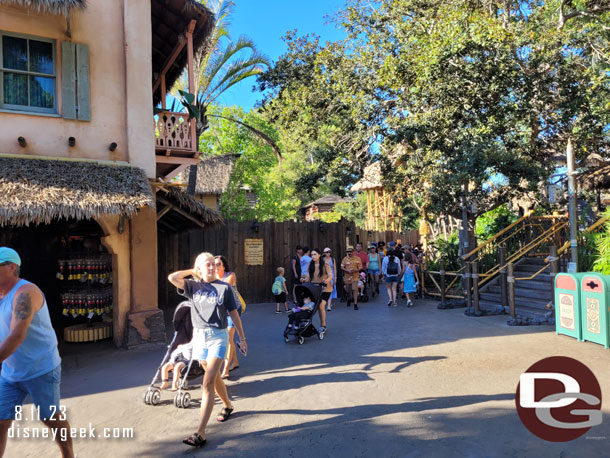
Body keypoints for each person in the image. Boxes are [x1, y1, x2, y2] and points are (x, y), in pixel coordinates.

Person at [0, 247, 75, 458]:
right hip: (10, 371)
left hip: (40, 368)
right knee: (1, 421)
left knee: (51, 418)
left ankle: (69, 456)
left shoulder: (25, 293)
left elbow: (16, 335)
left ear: (11, 267)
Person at [168, 252, 247, 448]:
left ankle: (200, 432)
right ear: (200, 268)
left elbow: (234, 313)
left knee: (208, 381)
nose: (212, 267)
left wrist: (242, 338)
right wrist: (193, 271)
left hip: (218, 338)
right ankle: (228, 405)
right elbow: (172, 278)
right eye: (208, 265)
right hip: (200, 338)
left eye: (214, 264)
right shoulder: (193, 286)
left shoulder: (224, 288)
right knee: (214, 378)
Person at [214, 256, 240, 380]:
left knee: (228, 337)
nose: (216, 266)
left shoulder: (230, 275)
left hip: (233, 309)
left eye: (218, 264)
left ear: (224, 265)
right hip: (221, 311)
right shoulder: (212, 278)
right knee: (229, 339)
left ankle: (225, 368)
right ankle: (235, 361)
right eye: (214, 264)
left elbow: (223, 288)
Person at [303, 249, 332, 332]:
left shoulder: (325, 264)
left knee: (321, 306)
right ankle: (305, 323)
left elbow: (330, 275)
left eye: (315, 254)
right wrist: (304, 279)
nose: (313, 256)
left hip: (325, 289)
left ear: (319, 255)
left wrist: (327, 280)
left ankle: (323, 325)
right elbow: (308, 277)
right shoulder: (310, 264)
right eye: (311, 255)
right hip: (315, 289)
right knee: (308, 304)